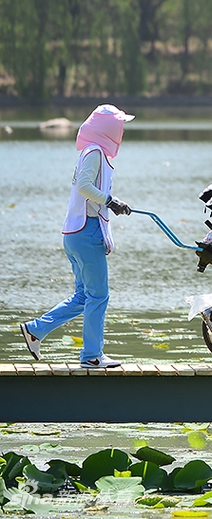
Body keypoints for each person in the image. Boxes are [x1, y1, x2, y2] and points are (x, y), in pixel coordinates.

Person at [20, 104, 135, 369]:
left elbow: (87, 190)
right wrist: (111, 200)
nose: (122, 131)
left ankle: (35, 330)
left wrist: (112, 203)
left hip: (75, 233)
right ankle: (92, 356)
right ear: (109, 129)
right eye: (120, 126)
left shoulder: (92, 152)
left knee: (84, 296)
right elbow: (85, 187)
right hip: (86, 233)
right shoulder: (94, 152)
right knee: (99, 296)